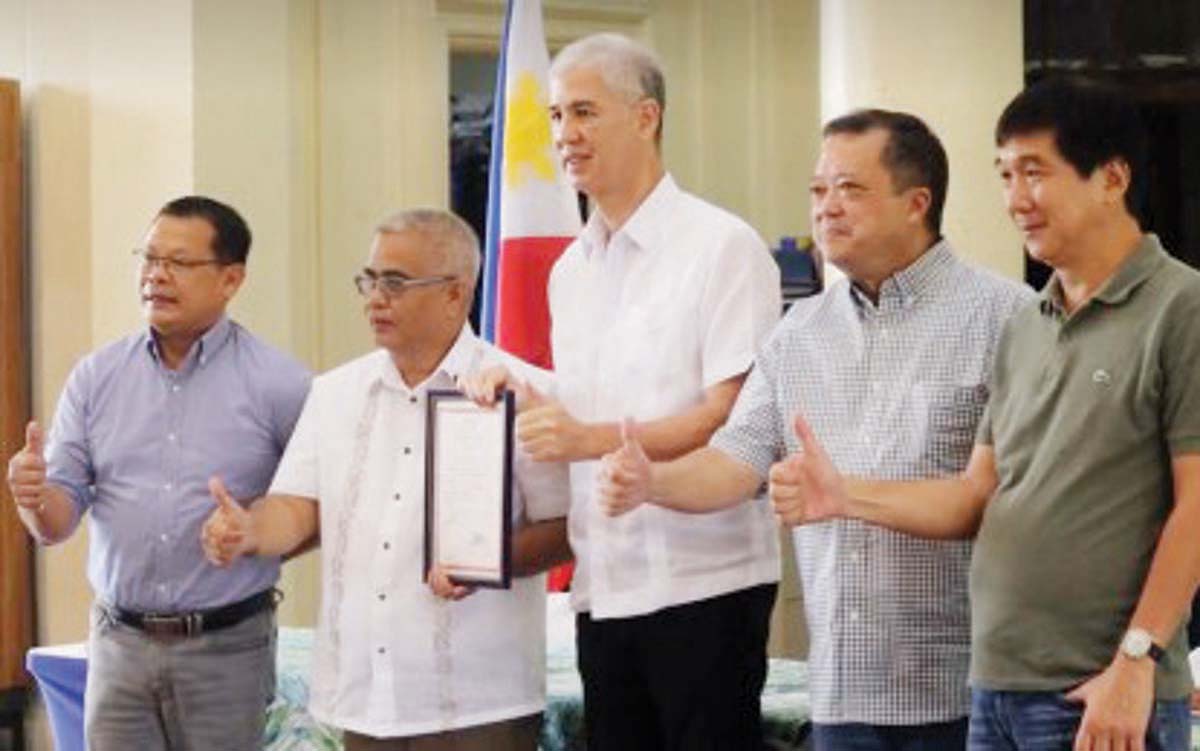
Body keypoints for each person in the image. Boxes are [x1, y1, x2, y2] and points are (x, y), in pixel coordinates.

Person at [769, 78, 1200, 751]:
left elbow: (1197, 503)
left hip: (1095, 690)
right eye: (1004, 175)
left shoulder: (1182, 307)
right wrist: (843, 495)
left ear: (1112, 178)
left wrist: (1138, 658)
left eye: (1035, 172)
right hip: (994, 688)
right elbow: (975, 494)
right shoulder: (1027, 322)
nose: (1014, 200)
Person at [597, 110, 1032, 751]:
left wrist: (845, 493)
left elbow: (1008, 502)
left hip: (964, 692)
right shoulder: (797, 333)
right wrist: (650, 481)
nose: (827, 208)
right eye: (818, 190)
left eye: (850, 189)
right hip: (843, 694)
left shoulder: (1007, 319)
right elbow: (734, 461)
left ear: (918, 203)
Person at [463, 33, 782, 751]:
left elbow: (731, 412)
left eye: (583, 112)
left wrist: (590, 439)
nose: (563, 136)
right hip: (605, 583)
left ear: (646, 117)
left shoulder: (722, 246)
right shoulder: (569, 269)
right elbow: (591, 398)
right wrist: (521, 385)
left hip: (706, 585)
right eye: (553, 117)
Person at [201, 208, 571, 751]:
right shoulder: (335, 394)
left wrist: (487, 560)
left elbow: (565, 527)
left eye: (395, 283)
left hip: (475, 699)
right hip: (364, 696)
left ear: (455, 293)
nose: (375, 298)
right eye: (369, 280)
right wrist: (250, 531)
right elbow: (298, 509)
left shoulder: (522, 391)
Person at [5, 196, 310, 751]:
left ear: (231, 278)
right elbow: (55, 521)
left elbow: (317, 508)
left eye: (179, 263)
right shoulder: (97, 377)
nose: (156, 277)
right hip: (119, 643)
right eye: (148, 259)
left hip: (227, 646)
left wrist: (254, 535)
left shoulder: (280, 384)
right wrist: (31, 495)